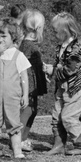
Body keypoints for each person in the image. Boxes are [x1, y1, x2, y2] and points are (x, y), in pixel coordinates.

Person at [47, 11, 81, 156]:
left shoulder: (75, 48)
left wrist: (53, 70)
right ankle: (59, 144)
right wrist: (51, 72)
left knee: (69, 117)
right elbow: (59, 63)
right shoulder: (61, 46)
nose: (53, 33)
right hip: (63, 86)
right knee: (57, 115)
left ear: (65, 31)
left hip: (76, 87)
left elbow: (70, 69)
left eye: (55, 31)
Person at [0, 20, 31, 160]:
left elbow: (24, 77)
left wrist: (26, 95)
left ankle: (17, 151)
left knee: (14, 124)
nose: (0, 40)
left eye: (4, 36)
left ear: (12, 37)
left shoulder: (18, 55)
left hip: (12, 96)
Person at [19, 9, 48, 151]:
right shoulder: (27, 45)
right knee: (28, 110)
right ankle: (18, 138)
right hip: (28, 84)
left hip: (33, 81)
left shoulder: (31, 44)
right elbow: (21, 64)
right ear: (39, 29)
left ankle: (23, 137)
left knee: (33, 110)